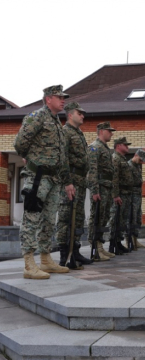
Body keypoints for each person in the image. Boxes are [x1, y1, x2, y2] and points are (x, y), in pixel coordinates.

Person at [13, 85, 75, 279]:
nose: (63, 100)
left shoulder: (57, 122)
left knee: (49, 220)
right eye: (59, 97)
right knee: (31, 218)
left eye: (63, 97)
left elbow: (62, 155)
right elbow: (20, 143)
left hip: (54, 179)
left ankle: (46, 259)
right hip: (38, 177)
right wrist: (27, 157)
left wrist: (67, 181)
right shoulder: (37, 116)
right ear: (48, 99)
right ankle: (28, 263)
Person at [55, 102, 93, 268]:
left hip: (80, 180)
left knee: (77, 218)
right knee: (66, 217)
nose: (83, 116)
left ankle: (75, 251)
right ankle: (65, 256)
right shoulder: (65, 132)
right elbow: (62, 159)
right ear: (70, 115)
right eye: (80, 113)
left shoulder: (78, 133)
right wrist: (67, 182)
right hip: (70, 180)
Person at [87, 122, 117, 261]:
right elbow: (92, 171)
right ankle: (95, 248)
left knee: (104, 217)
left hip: (106, 187)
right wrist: (94, 190)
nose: (111, 133)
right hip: (99, 187)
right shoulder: (95, 147)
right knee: (97, 217)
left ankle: (100, 246)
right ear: (101, 131)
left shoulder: (104, 148)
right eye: (109, 131)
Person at [107, 136, 135, 253]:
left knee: (122, 220)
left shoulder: (122, 159)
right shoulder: (115, 159)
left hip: (126, 194)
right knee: (116, 219)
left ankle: (118, 242)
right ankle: (113, 244)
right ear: (118, 146)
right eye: (125, 145)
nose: (128, 147)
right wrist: (115, 195)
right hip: (120, 194)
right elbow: (114, 178)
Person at [129, 149, 145, 249]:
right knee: (131, 218)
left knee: (138, 217)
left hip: (137, 195)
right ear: (135, 155)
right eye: (140, 159)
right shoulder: (129, 166)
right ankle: (129, 240)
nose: (141, 162)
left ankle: (135, 239)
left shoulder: (137, 167)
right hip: (131, 196)